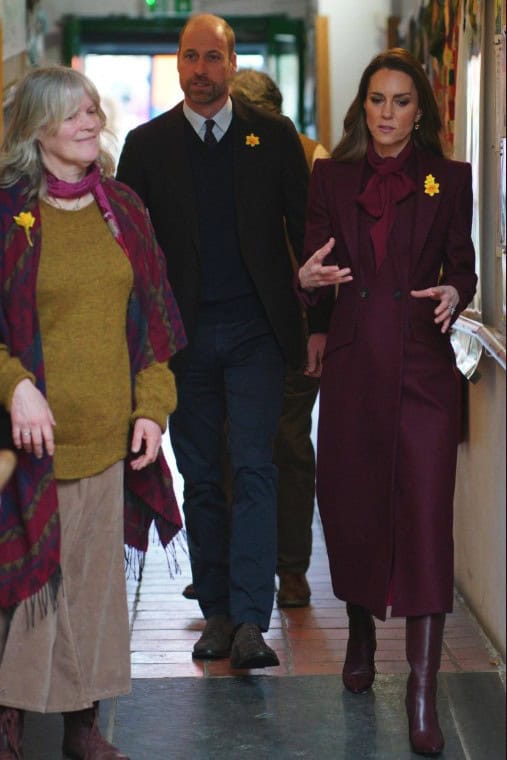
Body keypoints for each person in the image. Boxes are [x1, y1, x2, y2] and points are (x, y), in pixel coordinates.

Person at [0, 66, 186, 760]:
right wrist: (15, 385)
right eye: (74, 113)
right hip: (26, 448)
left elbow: (156, 325)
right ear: (38, 127)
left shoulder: (124, 209)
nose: (91, 123)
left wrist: (153, 411)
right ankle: (9, 724)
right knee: (26, 586)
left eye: (93, 111)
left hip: (108, 440)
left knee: (93, 591)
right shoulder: (7, 214)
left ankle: (83, 726)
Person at [298, 48, 476, 756]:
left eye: (401, 101)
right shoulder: (331, 177)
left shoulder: (449, 178)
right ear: (361, 106)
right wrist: (306, 281)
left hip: (424, 370)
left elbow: (463, 267)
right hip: (352, 366)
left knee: (427, 516)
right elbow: (312, 268)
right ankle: (360, 631)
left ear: (419, 110)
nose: (387, 113)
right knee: (353, 505)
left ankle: (422, 693)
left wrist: (456, 290)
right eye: (377, 99)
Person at [116, 13, 309, 669]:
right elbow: (128, 250)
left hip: (257, 332)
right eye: (190, 57)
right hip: (183, 338)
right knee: (200, 476)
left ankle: (253, 620)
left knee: (254, 468)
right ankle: (219, 614)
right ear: (178, 62)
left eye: (213, 57)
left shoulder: (273, 137)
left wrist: (317, 324)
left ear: (232, 62)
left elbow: (307, 235)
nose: (200, 70)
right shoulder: (146, 146)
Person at [229, 68, 329, 608]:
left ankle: (290, 567)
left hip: (293, 321)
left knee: (288, 443)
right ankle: (236, 565)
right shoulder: (216, 150)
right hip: (236, 320)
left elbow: (326, 245)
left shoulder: (312, 157)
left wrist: (322, 324)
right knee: (235, 444)